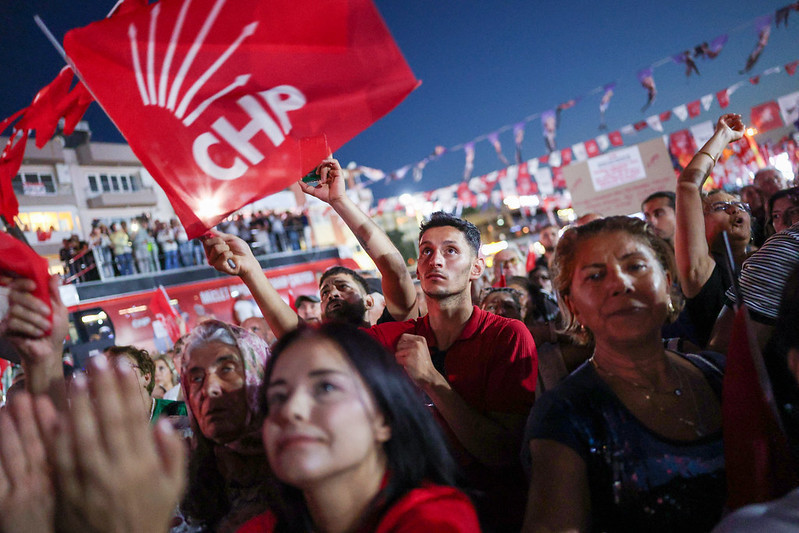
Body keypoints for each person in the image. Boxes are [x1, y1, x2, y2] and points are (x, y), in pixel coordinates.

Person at [523, 216, 725, 533]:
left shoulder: (720, 375)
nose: (620, 283)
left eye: (636, 267)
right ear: (572, 306)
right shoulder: (563, 416)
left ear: (667, 280)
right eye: (595, 276)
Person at [238, 323, 480, 532]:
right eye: (278, 397)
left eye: (326, 388)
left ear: (383, 418)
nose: (291, 410)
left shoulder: (435, 522)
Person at [203, 158, 418, 337]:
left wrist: (339, 201)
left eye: (343, 287)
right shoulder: (323, 352)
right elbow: (285, 323)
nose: (332, 293)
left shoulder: (395, 330)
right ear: (322, 312)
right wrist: (249, 269)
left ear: (369, 300)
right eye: (324, 293)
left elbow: (395, 269)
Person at [178, 319, 272, 532]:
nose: (210, 388)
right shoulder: (185, 482)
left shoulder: (302, 467)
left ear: (257, 372)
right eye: (196, 378)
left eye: (227, 369)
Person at [675, 113, 751, 348]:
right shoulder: (703, 273)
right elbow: (688, 185)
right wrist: (723, 135)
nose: (733, 210)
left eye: (739, 205)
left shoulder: (773, 255)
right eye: (721, 207)